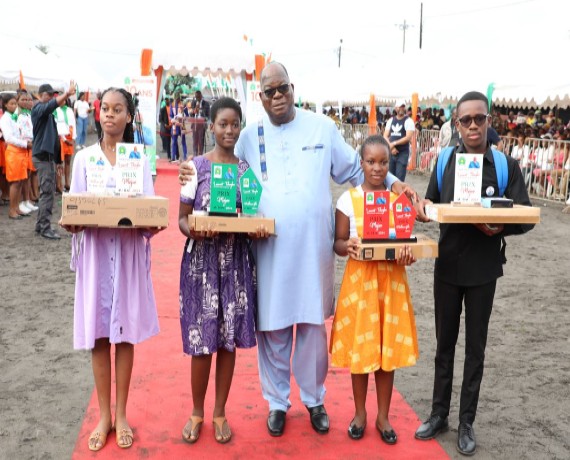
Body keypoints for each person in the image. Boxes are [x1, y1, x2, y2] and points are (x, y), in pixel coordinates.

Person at [179, 61, 414, 437]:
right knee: (272, 327)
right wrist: (191, 171)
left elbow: (358, 169)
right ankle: (276, 402)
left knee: (310, 327)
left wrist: (395, 182)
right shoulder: (248, 133)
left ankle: (314, 398)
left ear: (293, 88)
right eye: (269, 91)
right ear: (260, 96)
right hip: (266, 248)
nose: (277, 96)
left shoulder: (322, 127)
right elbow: (223, 168)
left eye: (282, 88)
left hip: (313, 248)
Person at [414, 91, 534, 456]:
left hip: (484, 269)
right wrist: (425, 210)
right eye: (464, 120)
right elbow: (430, 202)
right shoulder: (445, 161)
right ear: (456, 124)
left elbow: (524, 215)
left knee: (475, 349)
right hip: (448, 266)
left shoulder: (504, 165)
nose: (471, 126)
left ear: (489, 121)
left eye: (478, 119)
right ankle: (439, 415)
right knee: (444, 346)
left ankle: (467, 422)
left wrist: (500, 229)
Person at [60, 87, 162, 451]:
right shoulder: (84, 159)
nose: (109, 115)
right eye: (105, 108)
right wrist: (71, 223)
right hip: (97, 254)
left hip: (129, 253)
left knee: (125, 334)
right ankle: (104, 414)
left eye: (118, 109)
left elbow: (149, 210)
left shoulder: (138, 159)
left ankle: (122, 414)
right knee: (100, 333)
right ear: (98, 112)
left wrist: (153, 223)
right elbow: (74, 209)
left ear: (128, 116)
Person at [178, 97, 266, 444]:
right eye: (223, 124)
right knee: (202, 342)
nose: (229, 130)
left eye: (234, 124)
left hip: (235, 266)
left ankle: (220, 412)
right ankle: (197, 411)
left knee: (227, 341)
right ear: (211, 126)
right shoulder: (194, 167)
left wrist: (256, 227)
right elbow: (182, 220)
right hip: (200, 266)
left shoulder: (245, 173)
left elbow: (254, 216)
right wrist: (195, 229)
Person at [330, 135, 419, 443]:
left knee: (386, 351)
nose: (378, 168)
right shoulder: (347, 199)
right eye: (371, 162)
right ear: (361, 163)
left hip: (391, 282)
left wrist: (408, 253)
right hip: (360, 283)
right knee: (361, 350)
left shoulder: (399, 202)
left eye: (383, 162)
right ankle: (359, 412)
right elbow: (338, 243)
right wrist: (348, 245)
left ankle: (383, 416)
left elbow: (406, 244)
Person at [32, 82, 75, 240]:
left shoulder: (48, 114)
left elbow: (55, 140)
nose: (51, 97)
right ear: (39, 95)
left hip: (47, 157)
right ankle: (44, 227)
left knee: (47, 192)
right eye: (48, 95)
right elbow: (50, 106)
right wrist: (67, 94)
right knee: (47, 193)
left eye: (53, 95)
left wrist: (57, 162)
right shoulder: (38, 109)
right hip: (42, 157)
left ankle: (40, 225)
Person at [0, 92, 32, 219]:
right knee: (14, 182)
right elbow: (9, 138)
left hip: (21, 151)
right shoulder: (5, 119)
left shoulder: (14, 117)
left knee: (19, 182)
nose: (14, 106)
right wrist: (25, 143)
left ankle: (17, 208)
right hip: (14, 152)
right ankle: (12, 210)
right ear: (5, 105)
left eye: (15, 103)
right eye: (11, 104)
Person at [384, 102, 415, 182]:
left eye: (403, 106)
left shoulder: (408, 121)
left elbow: (408, 137)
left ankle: (399, 194)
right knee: (389, 178)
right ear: (396, 108)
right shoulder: (391, 120)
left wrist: (393, 144)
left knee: (399, 179)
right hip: (391, 152)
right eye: (400, 106)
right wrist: (391, 148)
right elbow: (385, 136)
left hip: (402, 153)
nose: (401, 108)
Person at [54, 97, 76, 192]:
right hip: (61, 138)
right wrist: (64, 139)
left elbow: (73, 124)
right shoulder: (55, 111)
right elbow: (56, 126)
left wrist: (74, 138)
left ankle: (67, 182)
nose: (62, 101)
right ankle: (59, 184)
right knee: (60, 163)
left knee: (68, 161)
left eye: (64, 100)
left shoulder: (70, 110)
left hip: (70, 137)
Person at [190, 91, 210, 156]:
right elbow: (190, 114)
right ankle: (195, 155)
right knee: (195, 141)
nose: (197, 98)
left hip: (202, 125)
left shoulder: (206, 104)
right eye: (196, 97)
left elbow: (208, 116)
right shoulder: (193, 102)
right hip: (195, 124)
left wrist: (204, 118)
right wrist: (193, 111)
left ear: (201, 96)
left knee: (201, 141)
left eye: (198, 97)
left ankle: (200, 156)